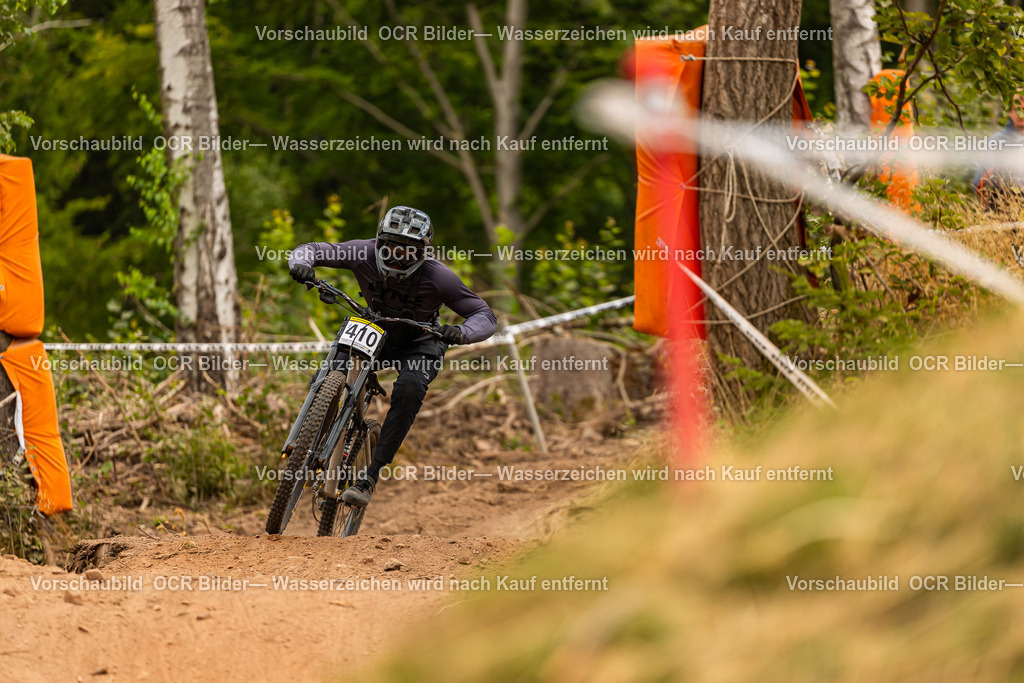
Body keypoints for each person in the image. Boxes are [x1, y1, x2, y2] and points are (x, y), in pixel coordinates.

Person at [287, 206, 496, 507]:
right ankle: (311, 437)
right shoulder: (361, 253)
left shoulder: (439, 277)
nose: (399, 255)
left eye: (409, 251)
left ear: (423, 252)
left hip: (420, 340)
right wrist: (301, 265)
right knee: (329, 371)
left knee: (410, 388)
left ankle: (369, 478)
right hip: (372, 327)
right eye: (392, 246)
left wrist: (461, 332)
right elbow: (312, 249)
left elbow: (483, 314)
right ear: (379, 242)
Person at [973, 94, 1024, 209]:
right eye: (1017, 110)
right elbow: (982, 183)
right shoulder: (996, 142)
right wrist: (989, 215)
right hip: (1005, 205)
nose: (1021, 115)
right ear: (1010, 112)